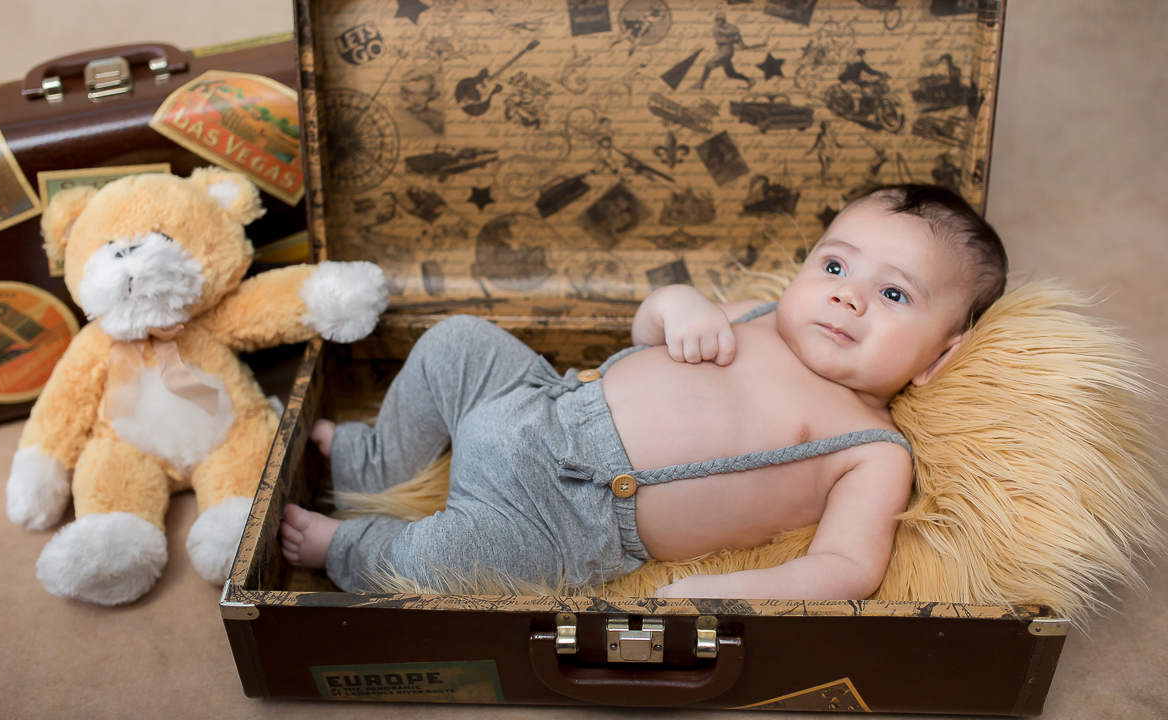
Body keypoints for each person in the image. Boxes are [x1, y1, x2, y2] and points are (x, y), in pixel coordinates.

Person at [280, 185, 1008, 600]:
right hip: (546, 399)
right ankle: (370, 463)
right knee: (457, 342)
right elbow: (645, 326)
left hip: (569, 519)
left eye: (891, 293)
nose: (848, 299)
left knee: (453, 563)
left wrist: (725, 596)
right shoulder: (754, 317)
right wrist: (679, 303)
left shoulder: (873, 452)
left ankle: (348, 544)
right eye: (835, 267)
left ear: (938, 358)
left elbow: (848, 567)